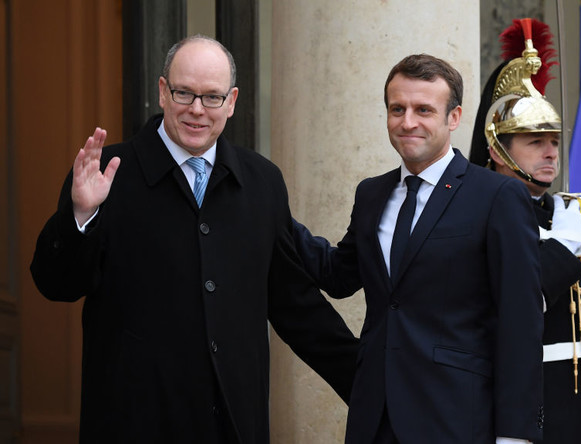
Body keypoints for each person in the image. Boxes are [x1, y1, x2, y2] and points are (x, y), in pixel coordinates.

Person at [29, 35, 358, 444]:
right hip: (135, 422)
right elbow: (55, 284)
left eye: (212, 97)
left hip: (234, 423)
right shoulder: (107, 174)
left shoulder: (261, 181)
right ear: (163, 92)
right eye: (185, 93)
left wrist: (371, 386)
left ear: (232, 100)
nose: (197, 110)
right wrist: (80, 214)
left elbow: (295, 303)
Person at [292, 54, 544, 444]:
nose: (407, 122)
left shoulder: (497, 195)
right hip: (375, 419)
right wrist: (273, 213)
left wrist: (516, 434)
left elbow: (521, 322)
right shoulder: (371, 193)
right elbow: (338, 276)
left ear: (454, 118)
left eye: (423, 110)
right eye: (397, 109)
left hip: (457, 419)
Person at [468, 19, 581, 444]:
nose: (551, 151)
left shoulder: (566, 214)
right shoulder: (480, 218)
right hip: (529, 415)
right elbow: (512, 308)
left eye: (554, 140)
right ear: (497, 149)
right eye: (534, 140)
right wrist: (562, 248)